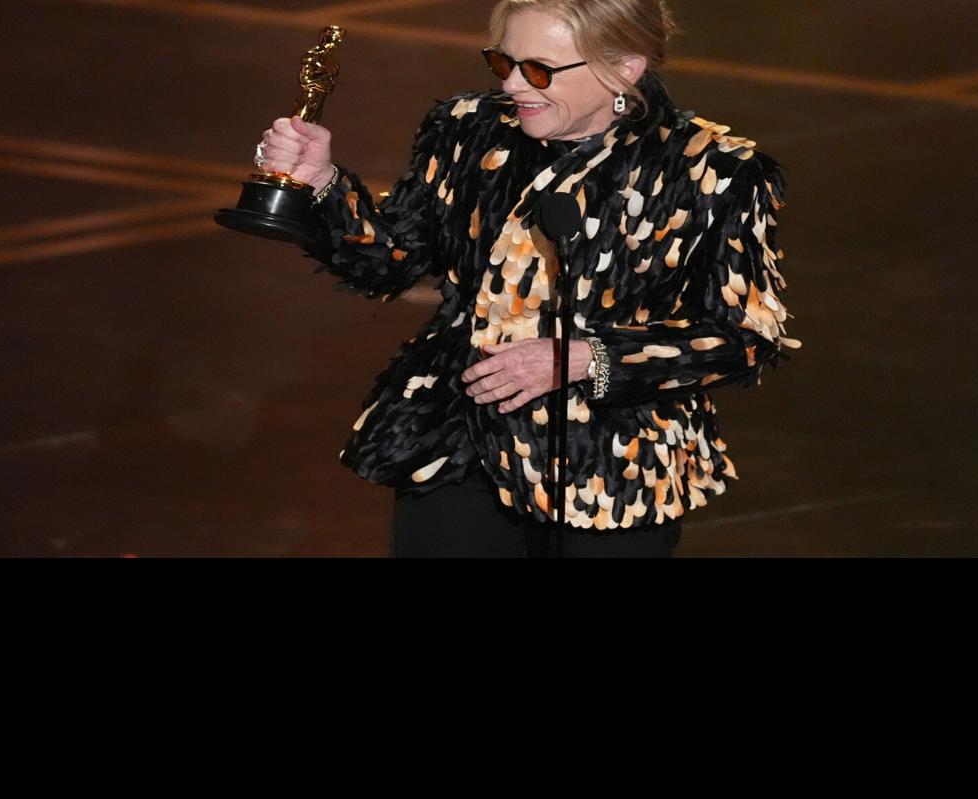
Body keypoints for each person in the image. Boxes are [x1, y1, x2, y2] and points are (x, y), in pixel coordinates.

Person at [252, 0, 797, 557]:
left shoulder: (714, 172)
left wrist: (590, 358)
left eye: (539, 70)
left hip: (612, 470)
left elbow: (745, 338)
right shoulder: (468, 129)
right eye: (502, 62)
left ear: (623, 69)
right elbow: (389, 264)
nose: (513, 84)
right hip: (459, 445)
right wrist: (322, 184)